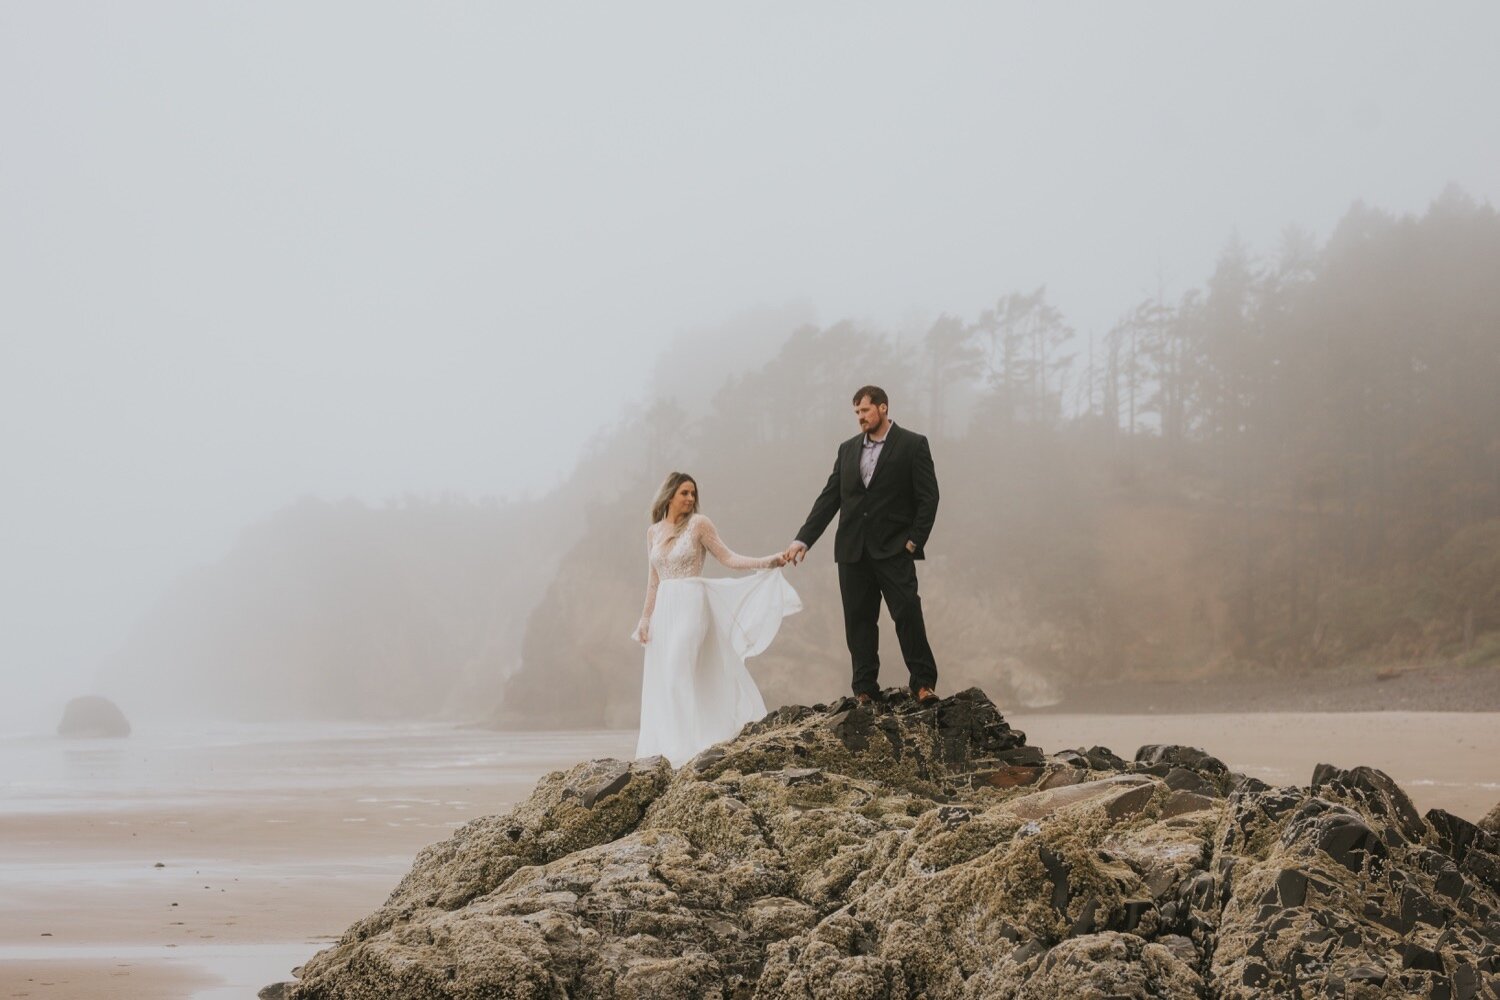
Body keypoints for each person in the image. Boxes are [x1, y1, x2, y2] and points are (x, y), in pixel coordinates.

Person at [784, 385, 940, 706]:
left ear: (883, 408)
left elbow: (929, 497)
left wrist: (913, 542)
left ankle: (923, 683)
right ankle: (865, 689)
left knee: (907, 612)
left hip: (895, 549)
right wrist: (804, 539)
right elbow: (829, 499)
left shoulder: (912, 444)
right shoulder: (846, 449)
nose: (860, 417)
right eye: (856, 412)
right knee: (858, 621)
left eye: (865, 410)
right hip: (852, 552)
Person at [632, 472, 801, 765]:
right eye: (685, 493)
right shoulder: (653, 532)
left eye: (693, 494)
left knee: (677, 672)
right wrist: (645, 619)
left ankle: (686, 751)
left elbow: (729, 558)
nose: (691, 499)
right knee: (668, 678)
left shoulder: (699, 524)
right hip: (665, 610)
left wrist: (767, 561)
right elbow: (653, 580)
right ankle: (673, 746)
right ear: (669, 495)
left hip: (691, 605)